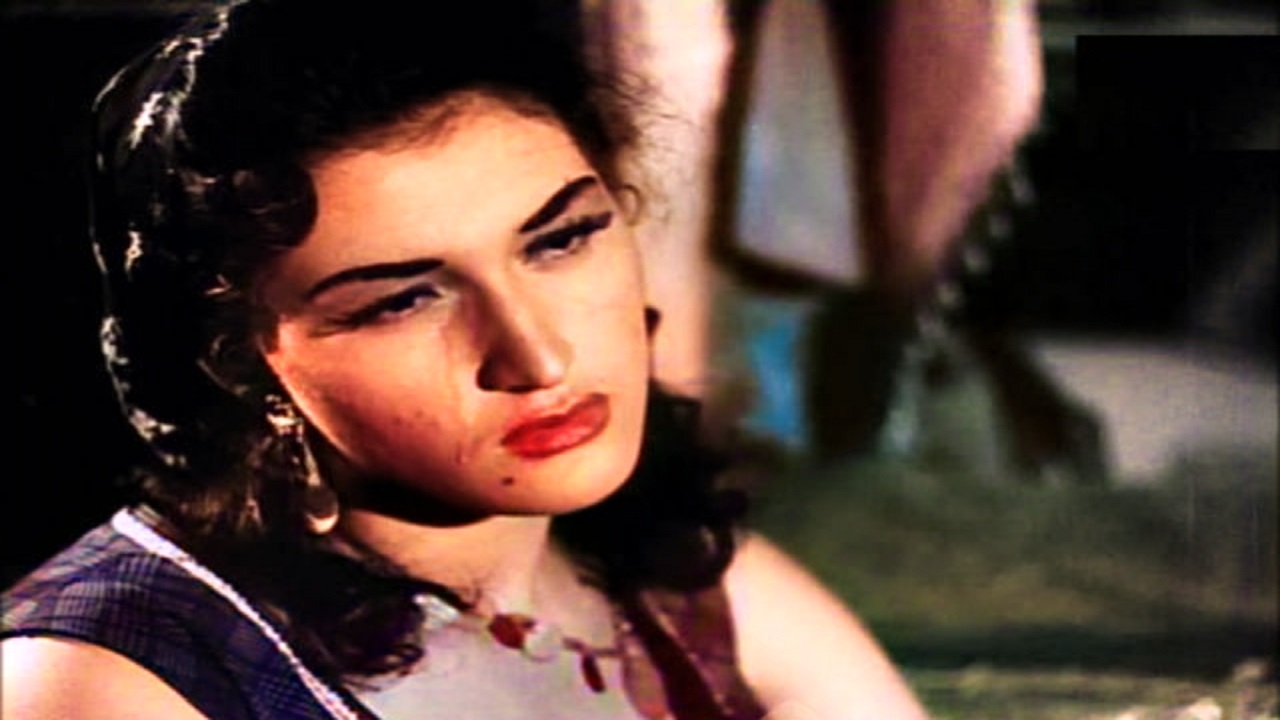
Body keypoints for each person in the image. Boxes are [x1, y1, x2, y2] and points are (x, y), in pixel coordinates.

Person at [1, 1, 930, 718]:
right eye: (403, 300)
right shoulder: (104, 680)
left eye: (560, 241)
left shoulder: (682, 589)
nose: (538, 354)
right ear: (240, 364)